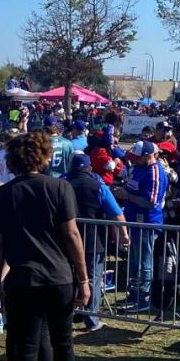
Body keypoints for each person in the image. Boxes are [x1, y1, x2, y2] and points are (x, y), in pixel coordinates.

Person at [0, 131, 89, 361]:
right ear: (45, 157)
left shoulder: (3, 194)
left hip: (22, 279)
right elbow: (72, 235)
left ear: (12, 159)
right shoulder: (60, 187)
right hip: (59, 277)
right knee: (63, 342)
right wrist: (83, 278)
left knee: (27, 347)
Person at [65, 152, 128, 333]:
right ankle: (91, 320)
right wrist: (123, 234)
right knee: (93, 278)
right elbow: (116, 212)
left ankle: (67, 317)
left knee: (69, 278)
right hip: (93, 240)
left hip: (66, 240)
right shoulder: (97, 185)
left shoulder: (62, 184)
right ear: (90, 168)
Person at [120, 140, 168, 313]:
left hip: (147, 223)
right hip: (134, 221)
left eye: (138, 158)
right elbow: (131, 188)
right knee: (134, 260)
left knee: (144, 262)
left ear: (148, 156)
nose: (134, 160)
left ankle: (144, 299)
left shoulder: (155, 172)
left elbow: (150, 202)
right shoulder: (139, 168)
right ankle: (133, 295)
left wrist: (128, 196)